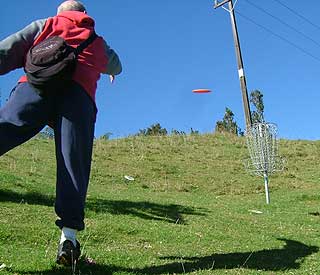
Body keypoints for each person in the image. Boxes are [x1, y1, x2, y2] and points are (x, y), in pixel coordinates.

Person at [0, 0, 122, 266]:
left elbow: (8, 50)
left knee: (4, 130)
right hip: (78, 99)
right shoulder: (97, 41)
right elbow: (116, 64)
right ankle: (69, 238)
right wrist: (110, 71)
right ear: (84, 14)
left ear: (61, 13)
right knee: (72, 165)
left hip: (34, 90)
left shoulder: (47, 24)